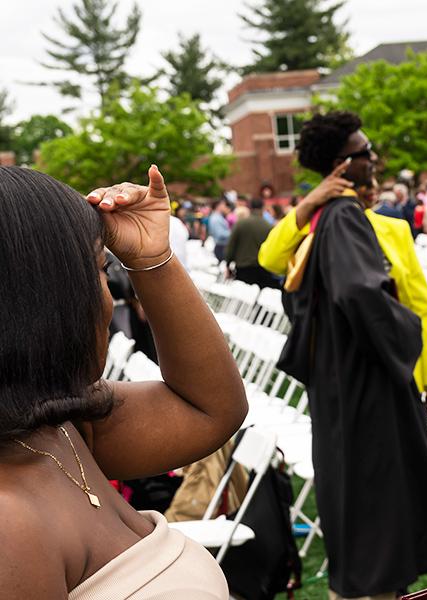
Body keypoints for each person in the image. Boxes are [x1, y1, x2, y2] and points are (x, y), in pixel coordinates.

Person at [0, 165, 247, 597]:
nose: (111, 299)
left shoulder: (58, 429)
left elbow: (212, 410)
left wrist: (152, 258)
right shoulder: (9, 527)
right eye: (100, 269)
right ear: (44, 302)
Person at [258, 112, 427, 599]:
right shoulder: (337, 215)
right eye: (366, 152)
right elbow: (361, 295)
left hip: (346, 377)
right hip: (367, 381)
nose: (374, 160)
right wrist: (401, 343)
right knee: (377, 503)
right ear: (344, 165)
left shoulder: (341, 221)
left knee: (364, 500)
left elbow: (417, 306)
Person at [225, 197, 280, 289]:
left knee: (243, 297)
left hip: (243, 268)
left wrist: (228, 263)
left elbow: (231, 245)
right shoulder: (268, 226)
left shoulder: (240, 224)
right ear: (263, 208)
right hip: (262, 268)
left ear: (250, 207)